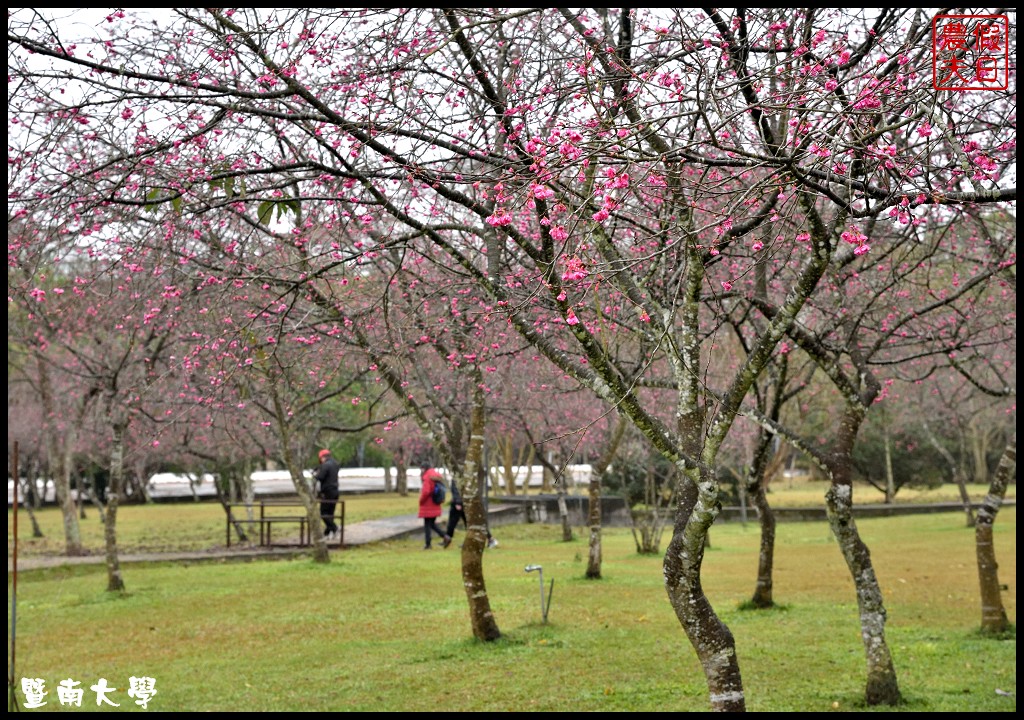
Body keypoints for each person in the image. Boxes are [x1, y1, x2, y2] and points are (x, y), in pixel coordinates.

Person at [442, 476, 498, 549]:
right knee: (468, 523)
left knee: (473, 523)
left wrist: (458, 502)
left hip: (463, 503)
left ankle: (490, 539)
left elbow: (459, 488)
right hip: (465, 502)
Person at [419, 463, 450, 550]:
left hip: (428, 504)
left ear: (424, 468)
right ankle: (445, 537)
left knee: (427, 525)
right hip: (436, 504)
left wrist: (421, 500)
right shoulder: (436, 476)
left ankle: (428, 544)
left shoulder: (427, 477)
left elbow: (426, 492)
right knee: (432, 524)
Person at [314, 449, 341, 539]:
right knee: (330, 513)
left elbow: (320, 477)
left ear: (322, 457)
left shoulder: (325, 465)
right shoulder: (335, 464)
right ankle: (328, 533)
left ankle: (334, 528)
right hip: (335, 490)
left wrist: (315, 474)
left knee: (323, 513)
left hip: (327, 491)